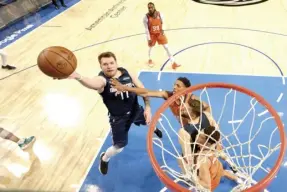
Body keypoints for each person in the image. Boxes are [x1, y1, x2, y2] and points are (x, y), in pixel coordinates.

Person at [56, 51, 162, 175]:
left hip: (136, 110)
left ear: (116, 63)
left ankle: (154, 129)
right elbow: (92, 83)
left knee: (149, 120)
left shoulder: (127, 73)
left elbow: (143, 90)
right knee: (119, 148)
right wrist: (79, 77)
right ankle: (104, 158)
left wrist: (148, 107)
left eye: (111, 63)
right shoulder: (102, 80)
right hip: (119, 119)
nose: (109, 66)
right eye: (105, 64)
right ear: (101, 67)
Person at [110, 77, 210, 126]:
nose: (174, 87)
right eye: (174, 84)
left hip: (199, 126)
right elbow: (146, 93)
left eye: (178, 86)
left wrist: (210, 122)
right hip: (186, 128)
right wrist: (124, 87)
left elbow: (206, 108)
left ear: (185, 89)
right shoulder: (168, 95)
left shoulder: (192, 100)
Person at [191, 126, 242, 191]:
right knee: (221, 171)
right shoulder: (213, 145)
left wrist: (193, 179)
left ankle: (236, 178)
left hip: (211, 183)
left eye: (201, 136)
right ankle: (237, 178)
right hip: (217, 168)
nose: (197, 136)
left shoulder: (203, 160)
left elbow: (207, 186)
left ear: (207, 143)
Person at [143, 2, 180, 69]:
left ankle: (173, 62)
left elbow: (162, 23)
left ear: (154, 7)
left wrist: (163, 29)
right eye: (149, 8)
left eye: (151, 7)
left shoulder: (160, 14)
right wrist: (149, 38)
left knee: (166, 47)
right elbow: (146, 29)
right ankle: (150, 59)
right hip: (152, 35)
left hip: (159, 33)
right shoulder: (146, 17)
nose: (150, 9)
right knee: (150, 48)